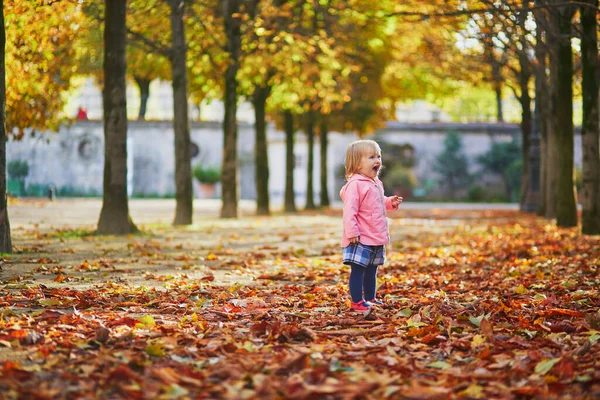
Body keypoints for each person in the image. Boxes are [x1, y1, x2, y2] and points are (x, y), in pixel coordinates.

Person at [340, 140, 403, 312]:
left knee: (372, 270)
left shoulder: (375, 183)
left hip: (375, 235)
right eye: (371, 157)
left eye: (378, 156)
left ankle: (370, 298)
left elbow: (378, 202)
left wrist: (390, 202)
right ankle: (357, 301)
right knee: (359, 270)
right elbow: (349, 210)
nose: (377, 161)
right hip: (360, 237)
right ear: (357, 164)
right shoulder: (356, 185)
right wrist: (351, 231)